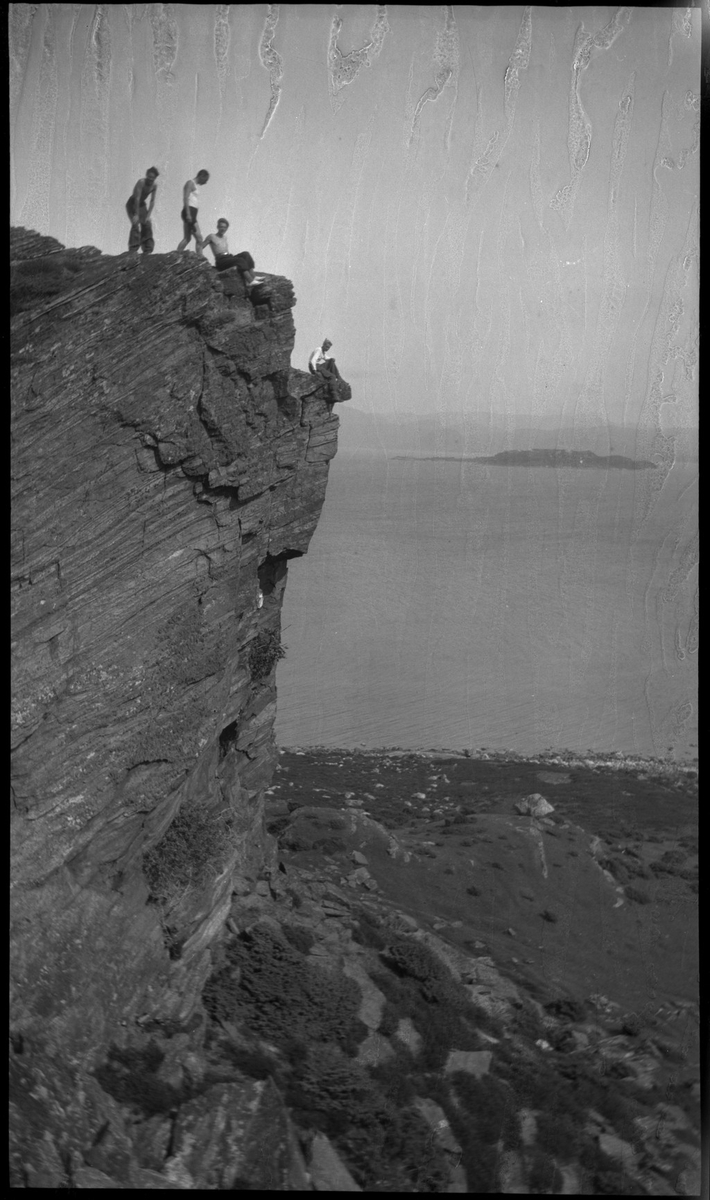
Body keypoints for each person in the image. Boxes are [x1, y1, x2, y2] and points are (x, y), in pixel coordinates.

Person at [126, 167, 159, 254]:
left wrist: (148, 216)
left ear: (155, 178)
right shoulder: (141, 182)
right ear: (146, 175)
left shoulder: (154, 186)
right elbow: (137, 198)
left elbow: (152, 201)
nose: (150, 179)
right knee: (135, 223)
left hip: (142, 205)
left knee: (147, 224)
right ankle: (133, 249)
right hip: (132, 203)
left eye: (152, 177)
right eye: (149, 176)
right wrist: (136, 214)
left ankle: (147, 249)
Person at [177, 170, 210, 254]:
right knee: (199, 238)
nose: (205, 183)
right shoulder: (190, 183)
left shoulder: (194, 184)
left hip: (192, 213)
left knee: (187, 238)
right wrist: (188, 214)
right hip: (189, 212)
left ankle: (177, 254)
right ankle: (200, 258)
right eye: (205, 180)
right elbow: (185, 198)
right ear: (201, 176)